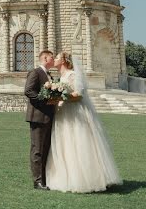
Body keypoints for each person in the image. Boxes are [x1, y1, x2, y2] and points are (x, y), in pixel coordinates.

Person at [45, 52, 122, 193]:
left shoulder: (72, 75)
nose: (54, 59)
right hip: (62, 114)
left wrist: (61, 96)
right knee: (65, 144)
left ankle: (87, 179)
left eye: (56, 57)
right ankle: (66, 177)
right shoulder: (60, 78)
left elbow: (79, 95)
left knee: (78, 143)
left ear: (63, 61)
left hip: (75, 113)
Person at [24, 50, 55, 190]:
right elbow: (28, 91)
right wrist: (44, 100)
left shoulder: (49, 75)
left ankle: (44, 179)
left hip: (48, 116)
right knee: (37, 149)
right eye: (52, 58)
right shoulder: (35, 72)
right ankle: (37, 181)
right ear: (45, 58)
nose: (53, 60)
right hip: (38, 116)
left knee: (45, 148)